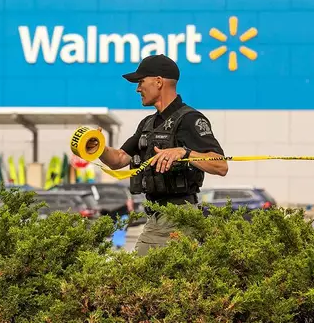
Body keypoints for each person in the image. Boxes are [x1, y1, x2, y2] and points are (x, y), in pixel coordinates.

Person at [85, 54, 228, 256]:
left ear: (159, 82)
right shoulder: (147, 124)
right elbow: (118, 159)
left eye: (141, 81)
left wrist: (184, 152)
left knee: (138, 278)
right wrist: (98, 147)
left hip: (178, 216)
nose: (137, 88)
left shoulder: (190, 119)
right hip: (156, 216)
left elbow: (221, 165)